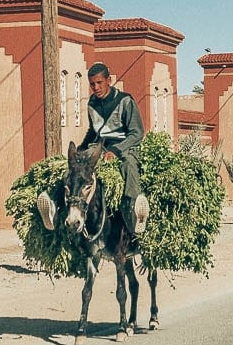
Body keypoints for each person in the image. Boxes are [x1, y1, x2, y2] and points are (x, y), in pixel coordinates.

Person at [37, 63, 150, 241]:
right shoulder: (92, 103)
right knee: (73, 168)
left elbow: (137, 133)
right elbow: (93, 131)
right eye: (92, 84)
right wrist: (81, 148)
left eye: (99, 83)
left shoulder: (125, 101)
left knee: (129, 166)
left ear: (108, 81)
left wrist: (115, 150)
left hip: (125, 147)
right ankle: (54, 205)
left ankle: (134, 210)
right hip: (100, 147)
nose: (96, 88)